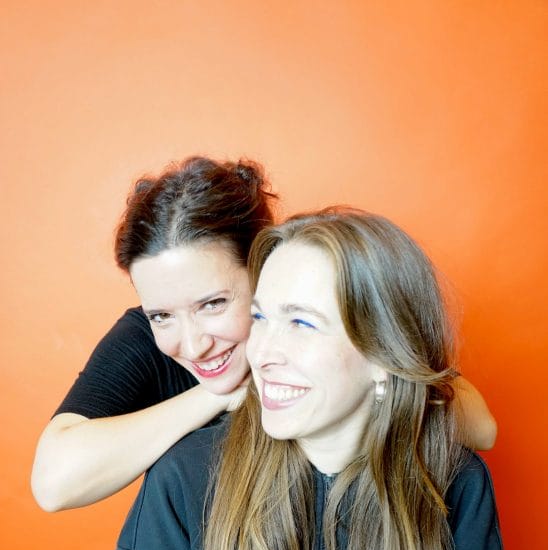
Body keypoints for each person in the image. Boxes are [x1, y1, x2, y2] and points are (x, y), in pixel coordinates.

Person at [89, 209, 506, 550]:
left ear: (383, 355)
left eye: (302, 322)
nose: (262, 353)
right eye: (260, 317)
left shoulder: (457, 486)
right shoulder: (186, 477)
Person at [31, 158, 496, 513]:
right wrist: (221, 395)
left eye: (213, 304)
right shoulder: (144, 340)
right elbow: (54, 484)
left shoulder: (327, 316)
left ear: (264, 268)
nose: (192, 345)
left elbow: (482, 426)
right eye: (162, 315)